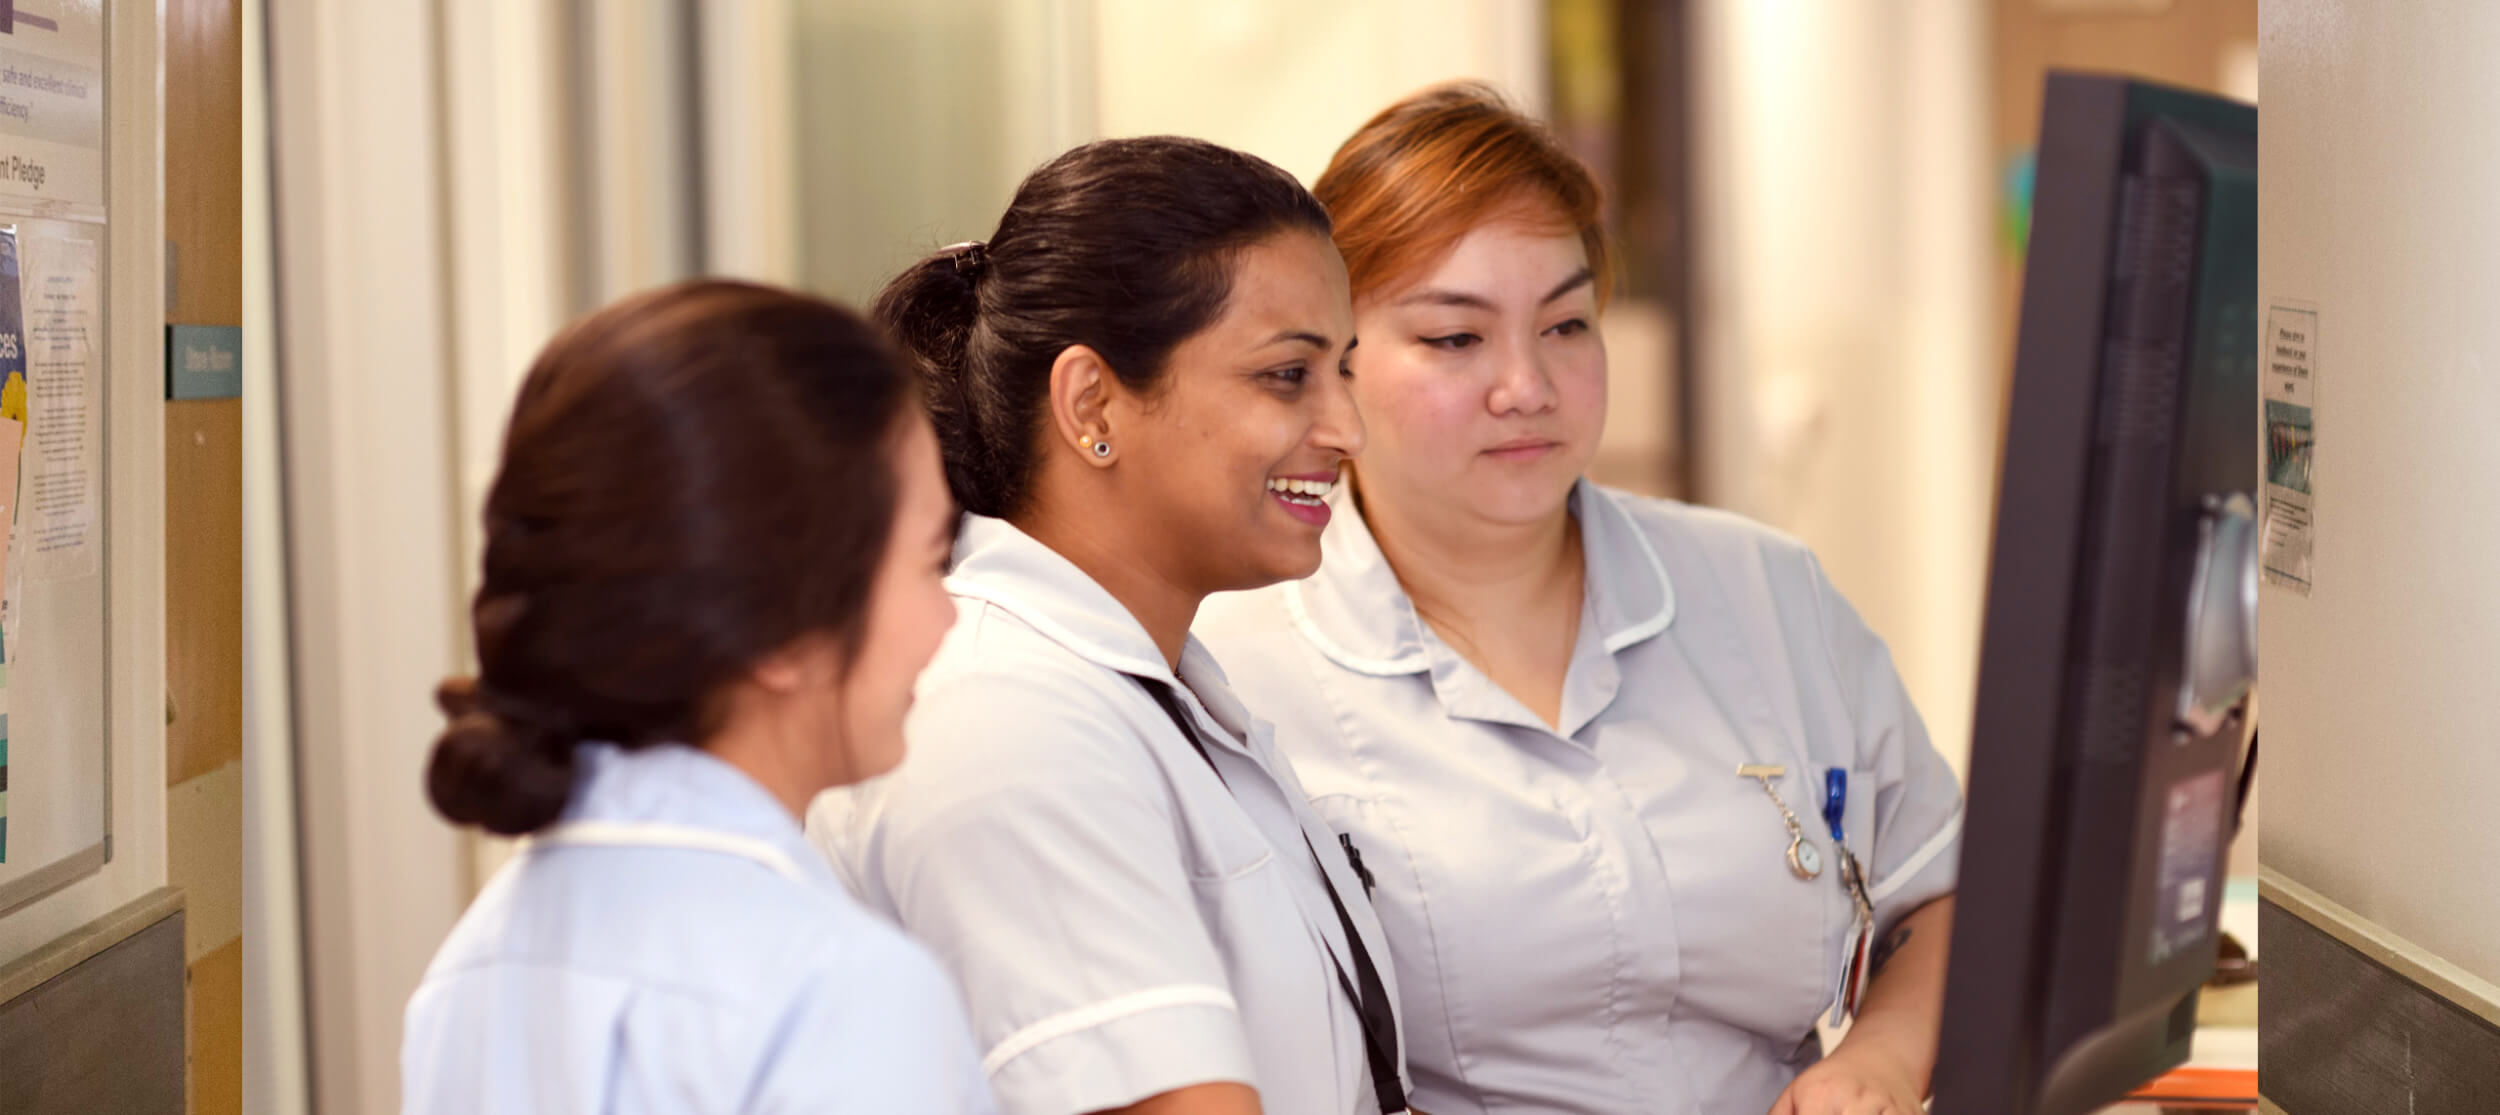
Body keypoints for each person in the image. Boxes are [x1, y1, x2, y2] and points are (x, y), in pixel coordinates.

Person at [1193, 84, 1964, 1115]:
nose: (1528, 385)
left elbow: (1938, 886)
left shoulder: (1764, 589)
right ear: (1337, 360)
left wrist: (1880, 1057)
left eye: (1565, 323)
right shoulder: (1233, 671)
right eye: (1455, 339)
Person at [807, 137, 1410, 1115]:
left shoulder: (1148, 688)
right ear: (1092, 402)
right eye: (1288, 376)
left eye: (1343, 370)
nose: (1348, 427)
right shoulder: (1005, 719)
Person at [402, 281, 996, 1114]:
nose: (946, 616)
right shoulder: (840, 992)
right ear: (786, 626)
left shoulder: (472, 970)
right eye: (932, 561)